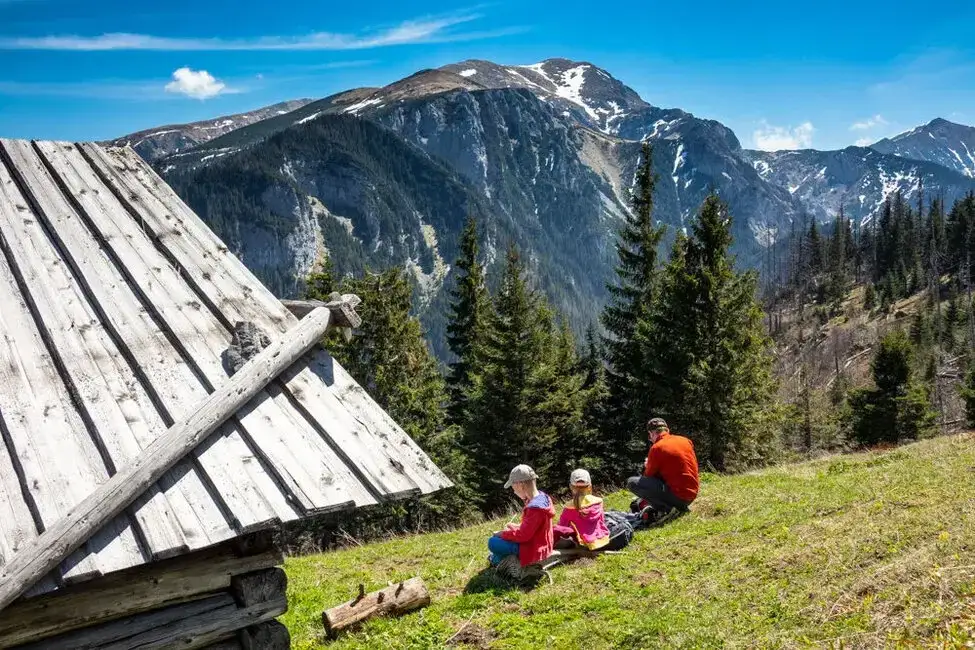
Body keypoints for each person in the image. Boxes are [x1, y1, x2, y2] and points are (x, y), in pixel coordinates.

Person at [627, 418, 699, 523]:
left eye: (649, 436)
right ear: (667, 430)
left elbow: (647, 476)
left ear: (651, 433)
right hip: (692, 495)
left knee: (632, 482)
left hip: (679, 497)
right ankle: (678, 506)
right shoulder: (685, 440)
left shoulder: (657, 447)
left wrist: (648, 464)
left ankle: (668, 509)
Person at [487, 465, 555, 574]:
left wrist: (502, 534)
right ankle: (496, 559)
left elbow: (524, 536)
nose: (514, 491)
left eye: (513, 488)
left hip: (534, 549)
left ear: (520, 485)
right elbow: (533, 528)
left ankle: (496, 560)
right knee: (501, 537)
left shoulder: (535, 508)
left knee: (492, 542)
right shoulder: (542, 497)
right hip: (540, 543)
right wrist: (516, 526)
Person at [553, 469, 610, 551]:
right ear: (590, 486)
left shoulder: (569, 506)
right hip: (601, 539)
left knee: (556, 528)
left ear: (571, 486)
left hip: (581, 542)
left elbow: (562, 526)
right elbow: (602, 521)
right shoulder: (598, 501)